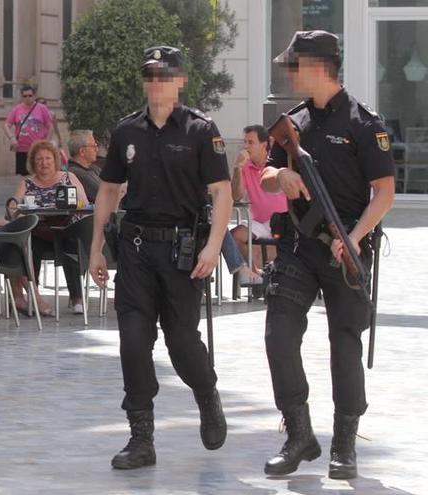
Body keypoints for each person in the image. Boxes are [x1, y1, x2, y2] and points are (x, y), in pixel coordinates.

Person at [260, 30, 395, 480]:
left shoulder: (363, 122)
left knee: (344, 345)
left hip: (345, 252)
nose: (289, 73)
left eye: (294, 65)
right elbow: (264, 175)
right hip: (299, 246)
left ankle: (344, 442)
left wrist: (354, 237)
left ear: (316, 66)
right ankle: (299, 433)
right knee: (279, 334)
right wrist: (279, 175)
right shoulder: (292, 122)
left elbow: (385, 193)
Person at [88, 46, 231, 470]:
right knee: (133, 342)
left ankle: (206, 393)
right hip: (135, 251)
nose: (155, 83)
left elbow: (222, 192)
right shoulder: (127, 131)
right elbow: (109, 190)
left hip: (182, 253)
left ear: (180, 81)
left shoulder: (201, 131)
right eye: (149, 75)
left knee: (183, 343)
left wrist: (214, 245)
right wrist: (96, 246)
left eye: (164, 76)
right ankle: (141, 438)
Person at [9, 140, 88, 315]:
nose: (44, 163)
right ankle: (34, 298)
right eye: (39, 159)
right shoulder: (27, 183)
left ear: (55, 160)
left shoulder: (69, 178)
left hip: (66, 229)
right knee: (28, 246)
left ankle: (77, 298)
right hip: (40, 231)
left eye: (48, 158)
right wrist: (16, 208)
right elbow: (13, 206)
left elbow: (84, 204)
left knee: (71, 244)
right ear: (32, 163)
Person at [230, 124, 287, 272]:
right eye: (245, 142)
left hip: (281, 221)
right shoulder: (245, 166)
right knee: (235, 235)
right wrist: (237, 167)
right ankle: (257, 275)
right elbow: (236, 195)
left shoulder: (276, 162)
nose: (246, 146)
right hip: (258, 223)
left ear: (264, 145)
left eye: (251, 142)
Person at [5, 86, 53, 176]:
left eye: (30, 95)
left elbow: (50, 126)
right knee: (23, 175)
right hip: (22, 148)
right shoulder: (17, 109)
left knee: (38, 173)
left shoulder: (42, 108)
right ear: (22, 97)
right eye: (25, 96)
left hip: (37, 148)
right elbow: (6, 125)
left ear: (34, 96)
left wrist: (47, 141)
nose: (27, 98)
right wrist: (12, 138)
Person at [66, 130, 102, 203]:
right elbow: (105, 195)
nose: (96, 149)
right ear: (82, 151)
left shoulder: (94, 168)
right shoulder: (76, 174)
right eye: (93, 146)